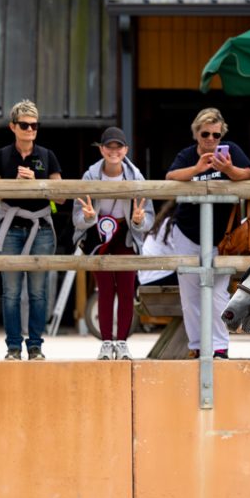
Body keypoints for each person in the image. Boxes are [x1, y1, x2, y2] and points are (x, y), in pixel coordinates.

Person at [166, 108, 250, 359]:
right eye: (205, 134)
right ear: (196, 134)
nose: (211, 140)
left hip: (221, 237)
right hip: (187, 231)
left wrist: (228, 170)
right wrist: (196, 168)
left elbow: (249, 173)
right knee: (190, 293)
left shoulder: (231, 151)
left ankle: (219, 346)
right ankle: (197, 345)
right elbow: (170, 176)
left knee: (217, 294)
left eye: (216, 135)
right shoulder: (187, 156)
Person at [0, 100, 63, 360]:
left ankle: (35, 347)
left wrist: (36, 183)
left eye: (34, 125)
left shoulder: (47, 155)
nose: (30, 129)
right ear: (13, 126)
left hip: (40, 227)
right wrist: (14, 184)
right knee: (10, 293)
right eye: (25, 125)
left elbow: (61, 197)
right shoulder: (0, 156)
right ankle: (12, 347)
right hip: (10, 228)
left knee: (37, 292)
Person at [72, 126, 155, 360]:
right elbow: (78, 217)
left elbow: (147, 217)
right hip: (99, 237)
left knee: (127, 290)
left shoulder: (136, 177)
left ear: (126, 150)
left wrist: (138, 221)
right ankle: (106, 342)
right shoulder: (90, 176)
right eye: (109, 146)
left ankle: (123, 341)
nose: (114, 151)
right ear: (101, 149)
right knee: (105, 290)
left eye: (118, 147)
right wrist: (88, 217)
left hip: (126, 235)